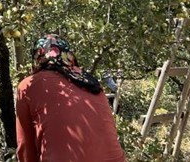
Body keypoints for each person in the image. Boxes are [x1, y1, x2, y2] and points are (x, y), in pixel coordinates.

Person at [16, 34, 127, 162]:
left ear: (38, 57)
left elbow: (25, 149)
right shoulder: (89, 81)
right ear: (68, 55)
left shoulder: (28, 86)